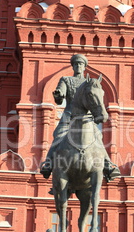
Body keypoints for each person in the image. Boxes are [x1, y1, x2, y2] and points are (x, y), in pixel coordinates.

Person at [40, 54, 120, 182]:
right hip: (69, 116)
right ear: (73, 66)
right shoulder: (66, 80)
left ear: (84, 67)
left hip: (86, 117)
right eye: (76, 64)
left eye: (81, 64)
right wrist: (59, 95)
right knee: (59, 136)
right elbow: (60, 97)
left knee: (98, 137)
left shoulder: (89, 82)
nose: (78, 66)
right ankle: (48, 164)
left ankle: (108, 165)